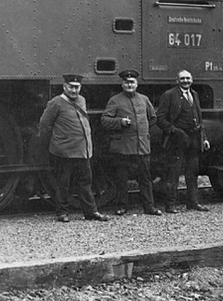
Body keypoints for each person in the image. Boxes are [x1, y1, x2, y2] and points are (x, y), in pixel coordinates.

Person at [38, 74, 110, 223]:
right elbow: (44, 124)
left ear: (80, 88)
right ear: (64, 87)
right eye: (71, 87)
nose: (74, 90)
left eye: (76, 87)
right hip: (64, 151)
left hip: (82, 150)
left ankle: (91, 212)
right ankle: (62, 213)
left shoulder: (82, 100)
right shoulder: (56, 103)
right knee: (63, 184)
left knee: (85, 183)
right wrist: (59, 140)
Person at [100, 69, 163, 216]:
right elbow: (105, 120)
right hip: (123, 147)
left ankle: (149, 207)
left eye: (132, 82)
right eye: (126, 82)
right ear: (122, 84)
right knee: (122, 179)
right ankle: (122, 207)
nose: (129, 85)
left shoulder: (144, 99)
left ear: (137, 83)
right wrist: (120, 122)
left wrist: (143, 129)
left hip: (142, 146)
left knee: (145, 179)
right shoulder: (115, 100)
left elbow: (153, 117)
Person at [155, 70, 211, 213]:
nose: (185, 81)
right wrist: (175, 131)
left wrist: (203, 138)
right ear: (177, 80)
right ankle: (170, 204)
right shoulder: (169, 95)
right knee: (173, 172)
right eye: (182, 78)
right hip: (176, 139)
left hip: (194, 139)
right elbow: (160, 118)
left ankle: (193, 202)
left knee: (192, 172)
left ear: (192, 80)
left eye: (188, 78)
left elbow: (199, 119)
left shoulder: (195, 95)